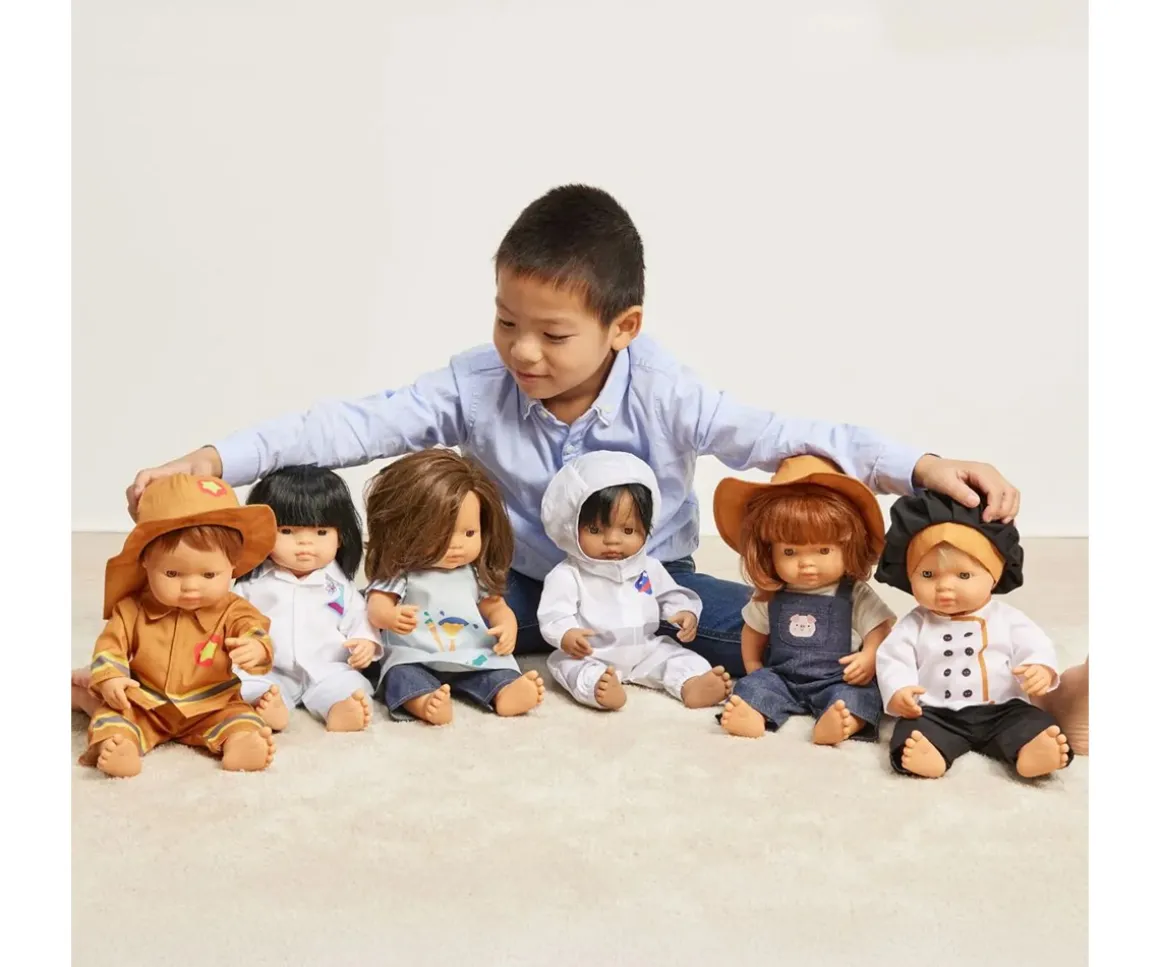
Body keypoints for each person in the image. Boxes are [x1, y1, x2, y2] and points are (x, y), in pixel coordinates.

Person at [120, 184, 1020, 680]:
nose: (522, 350)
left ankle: (973, 684)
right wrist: (213, 457)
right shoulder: (477, 381)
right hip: (514, 583)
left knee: (774, 631)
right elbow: (349, 423)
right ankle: (162, 668)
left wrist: (924, 463)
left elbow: (782, 432)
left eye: (553, 335)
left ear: (622, 327)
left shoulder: (666, 389)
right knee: (381, 629)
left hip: (642, 584)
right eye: (507, 320)